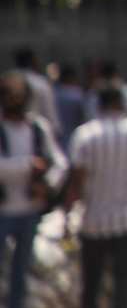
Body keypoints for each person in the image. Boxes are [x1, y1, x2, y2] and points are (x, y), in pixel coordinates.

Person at [67, 83, 127, 308]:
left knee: (91, 284)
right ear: (121, 103)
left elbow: (77, 177)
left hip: (94, 221)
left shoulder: (85, 135)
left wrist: (68, 211)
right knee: (123, 283)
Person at [0, 70, 67, 308]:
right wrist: (29, 167)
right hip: (4, 210)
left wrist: (47, 184)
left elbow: (59, 163)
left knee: (21, 273)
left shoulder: (38, 127)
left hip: (29, 209)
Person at [12, 49, 60, 137]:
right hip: (36, 133)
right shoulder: (41, 83)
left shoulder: (8, 81)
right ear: (32, 61)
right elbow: (49, 111)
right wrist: (55, 130)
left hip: (10, 131)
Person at [53, 64, 87, 143]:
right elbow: (83, 118)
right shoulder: (78, 95)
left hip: (57, 138)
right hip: (75, 137)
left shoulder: (53, 94)